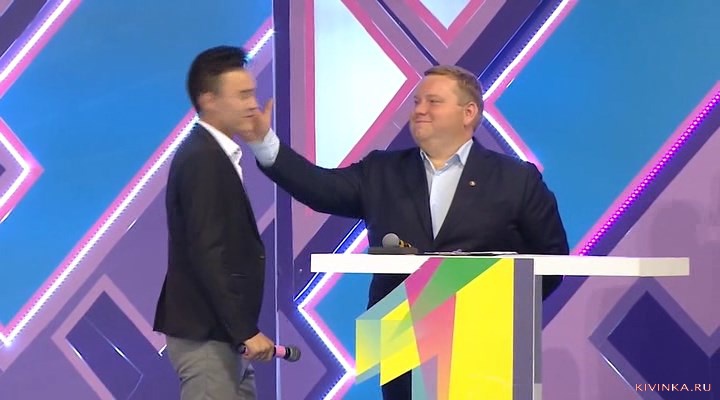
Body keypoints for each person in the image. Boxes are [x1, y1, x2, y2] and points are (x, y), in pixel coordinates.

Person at [240, 65, 569, 399]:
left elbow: (552, 262)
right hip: (402, 339)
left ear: (468, 113)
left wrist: (500, 311)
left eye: (433, 101)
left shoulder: (516, 179)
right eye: (416, 101)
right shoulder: (382, 171)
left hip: (485, 341)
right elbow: (319, 188)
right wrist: (264, 144)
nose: (419, 110)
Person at [153, 45, 275, 400]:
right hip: (207, 336)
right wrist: (245, 330)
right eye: (242, 95)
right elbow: (208, 252)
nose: (253, 104)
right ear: (208, 99)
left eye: (252, 93)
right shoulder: (203, 159)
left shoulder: (213, 153)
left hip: (222, 336)